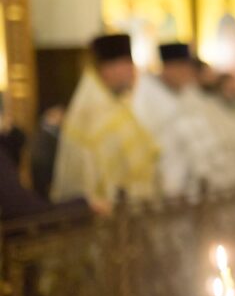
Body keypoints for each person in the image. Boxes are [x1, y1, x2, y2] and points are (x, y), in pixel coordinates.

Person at [50, 34, 159, 203]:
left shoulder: (118, 104)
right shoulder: (92, 114)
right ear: (107, 69)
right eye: (127, 64)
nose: (133, 71)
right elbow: (91, 179)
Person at [132, 43, 222, 196]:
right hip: (167, 184)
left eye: (188, 68)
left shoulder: (189, 92)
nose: (187, 73)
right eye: (182, 67)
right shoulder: (145, 96)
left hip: (197, 184)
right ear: (168, 68)